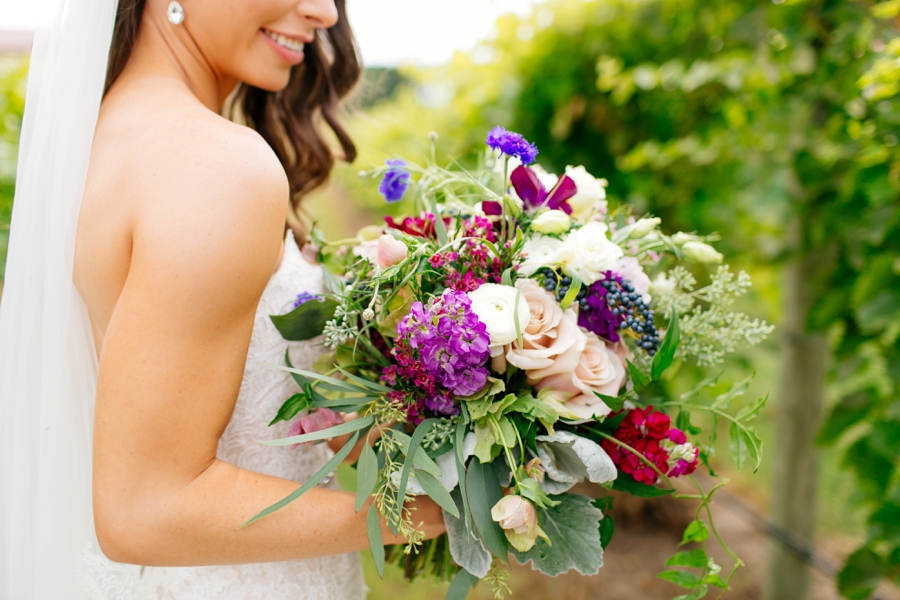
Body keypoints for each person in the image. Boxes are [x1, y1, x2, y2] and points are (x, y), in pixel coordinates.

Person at [0, 0, 445, 598]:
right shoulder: (212, 164)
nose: (321, 14)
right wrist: (441, 511)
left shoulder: (103, 137)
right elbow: (147, 508)